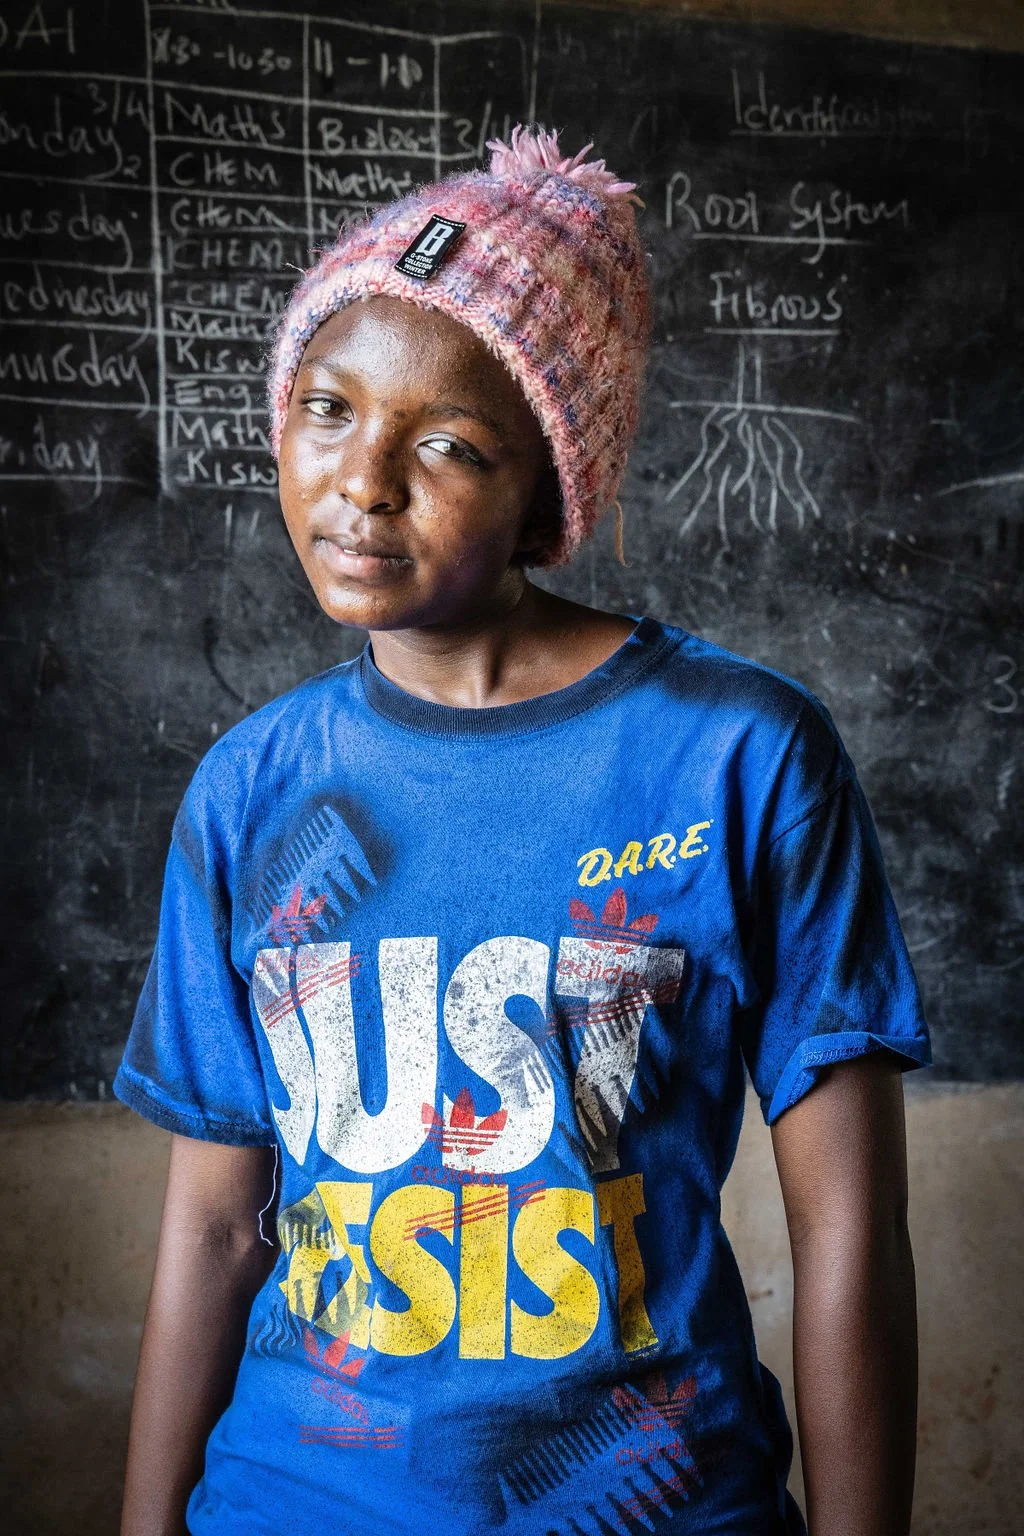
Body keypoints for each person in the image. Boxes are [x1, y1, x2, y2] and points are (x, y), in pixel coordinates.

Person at [115, 126, 931, 1536]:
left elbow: (847, 1229)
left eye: (449, 445)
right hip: (292, 1504)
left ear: (546, 489)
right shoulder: (254, 790)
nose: (364, 481)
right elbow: (211, 1224)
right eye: (327, 408)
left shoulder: (739, 756)